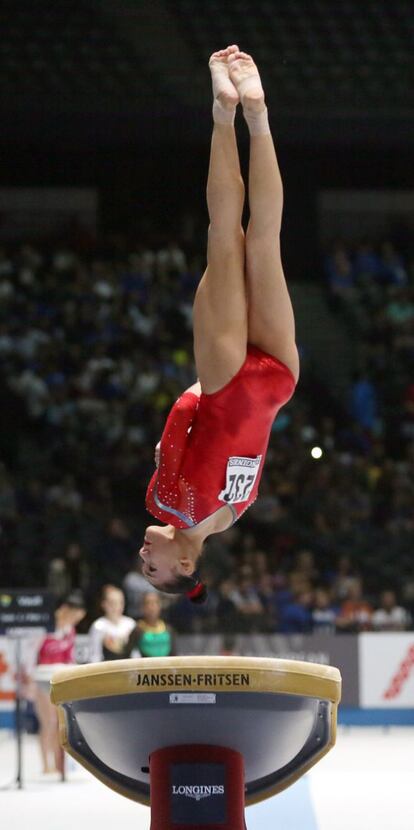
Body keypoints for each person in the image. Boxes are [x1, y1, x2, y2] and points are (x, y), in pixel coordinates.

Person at [141, 46, 299, 602]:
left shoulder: (232, 517)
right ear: (186, 560)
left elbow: (249, 453)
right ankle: (223, 111)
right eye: (155, 570)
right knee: (224, 231)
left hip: (278, 382)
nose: (144, 557)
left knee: (265, 238)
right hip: (227, 381)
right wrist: (204, 378)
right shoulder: (165, 505)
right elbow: (184, 412)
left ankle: (258, 115)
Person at [32, 590, 86, 774]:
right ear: (65, 610)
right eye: (74, 616)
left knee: (60, 724)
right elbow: (32, 655)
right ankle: (45, 764)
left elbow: (68, 658)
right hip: (41, 679)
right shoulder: (45, 628)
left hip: (59, 680)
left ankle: (58, 764)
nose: (74, 621)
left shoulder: (69, 630)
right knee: (48, 722)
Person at [88, 584, 136, 662]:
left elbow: (135, 653)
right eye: (112, 603)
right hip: (107, 669)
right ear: (104, 604)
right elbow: (95, 655)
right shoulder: (98, 626)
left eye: (120, 602)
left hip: (128, 668)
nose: (116, 607)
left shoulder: (130, 624)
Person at [124, 592, 176, 658]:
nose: (152, 607)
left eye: (155, 603)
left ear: (160, 606)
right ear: (142, 607)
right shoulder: (137, 631)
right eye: (148, 603)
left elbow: (174, 656)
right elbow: (127, 656)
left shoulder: (169, 629)